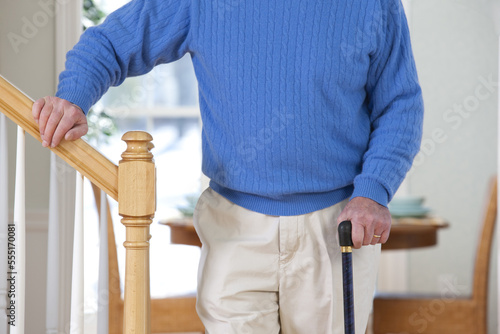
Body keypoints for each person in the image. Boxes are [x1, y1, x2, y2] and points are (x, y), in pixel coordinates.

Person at [32, 0, 423, 332]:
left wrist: (373, 190)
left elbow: (400, 105)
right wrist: (72, 98)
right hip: (234, 228)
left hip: (337, 229)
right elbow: (110, 43)